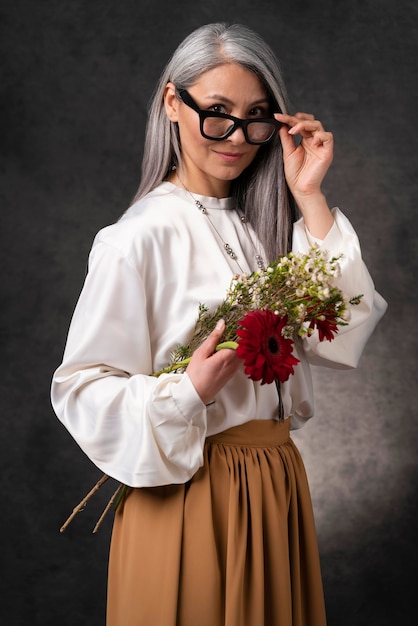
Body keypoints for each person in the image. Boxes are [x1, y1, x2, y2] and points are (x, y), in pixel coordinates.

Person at [51, 22, 387, 626]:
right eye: (218, 113)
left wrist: (309, 195)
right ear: (172, 103)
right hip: (188, 497)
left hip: (275, 486)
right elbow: (81, 387)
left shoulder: (265, 228)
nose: (237, 137)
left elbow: (343, 333)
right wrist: (185, 393)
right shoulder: (136, 238)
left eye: (257, 116)